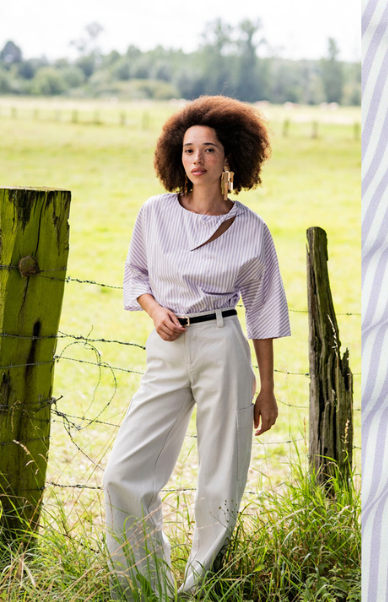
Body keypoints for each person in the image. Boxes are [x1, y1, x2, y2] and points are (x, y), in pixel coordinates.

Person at [102, 95, 291, 600]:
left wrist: (266, 388)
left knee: (221, 474)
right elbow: (135, 273)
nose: (197, 160)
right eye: (189, 149)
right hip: (166, 346)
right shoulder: (155, 213)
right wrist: (152, 308)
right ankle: (146, 587)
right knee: (123, 473)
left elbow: (265, 311)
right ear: (176, 155)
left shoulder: (251, 229)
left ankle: (198, 588)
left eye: (209, 149)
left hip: (223, 346)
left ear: (230, 158)